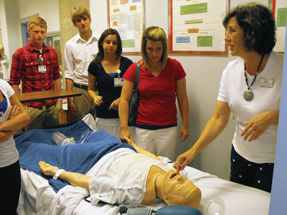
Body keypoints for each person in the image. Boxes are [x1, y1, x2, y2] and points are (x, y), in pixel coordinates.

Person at [174, 3, 283, 193]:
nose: (226, 37)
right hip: (241, 155)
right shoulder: (231, 71)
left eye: (231, 30)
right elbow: (218, 118)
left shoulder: (282, 67)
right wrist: (192, 151)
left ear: (252, 32)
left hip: (275, 161)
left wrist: (273, 117)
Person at [38, 136, 201, 209]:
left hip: (97, 157)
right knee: (95, 133)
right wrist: (134, 146)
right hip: (120, 147)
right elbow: (153, 159)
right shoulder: (173, 172)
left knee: (52, 147)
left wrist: (57, 172)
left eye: (180, 186)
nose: (181, 179)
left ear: (167, 199)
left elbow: (89, 182)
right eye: (186, 182)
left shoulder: (132, 191)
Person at [119, 26, 189, 160]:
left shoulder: (175, 67)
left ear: (164, 48)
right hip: (142, 129)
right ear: (144, 48)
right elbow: (124, 100)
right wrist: (124, 128)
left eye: (158, 49)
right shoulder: (135, 69)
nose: (154, 54)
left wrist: (185, 124)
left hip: (168, 128)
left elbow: (182, 97)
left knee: (165, 165)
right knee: (144, 166)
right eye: (150, 49)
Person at [9, 16, 62, 131]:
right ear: (29, 32)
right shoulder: (20, 53)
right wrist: (19, 106)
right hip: (31, 107)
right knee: (33, 140)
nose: (39, 35)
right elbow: (14, 82)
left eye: (42, 32)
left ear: (46, 32)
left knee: (54, 135)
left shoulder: (52, 53)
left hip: (52, 105)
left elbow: (56, 77)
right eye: (36, 31)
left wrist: (59, 100)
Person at [0, 46, 30, 214]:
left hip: (10, 160)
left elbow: (25, 118)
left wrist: (5, 125)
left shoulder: (4, 86)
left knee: (11, 209)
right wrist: (13, 123)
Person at [88, 28, 133, 139]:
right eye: (108, 42)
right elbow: (90, 89)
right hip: (103, 116)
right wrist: (95, 97)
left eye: (114, 43)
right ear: (102, 43)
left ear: (118, 45)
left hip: (123, 119)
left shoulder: (127, 64)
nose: (111, 45)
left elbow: (134, 89)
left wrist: (121, 99)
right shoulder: (94, 65)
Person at [64, 6, 100, 122]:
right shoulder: (70, 45)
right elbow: (69, 74)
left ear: (90, 19)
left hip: (98, 89)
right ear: (75, 24)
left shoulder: (101, 40)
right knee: (82, 127)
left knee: (100, 125)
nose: (82, 23)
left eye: (84, 19)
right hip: (80, 91)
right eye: (78, 21)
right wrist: (70, 100)